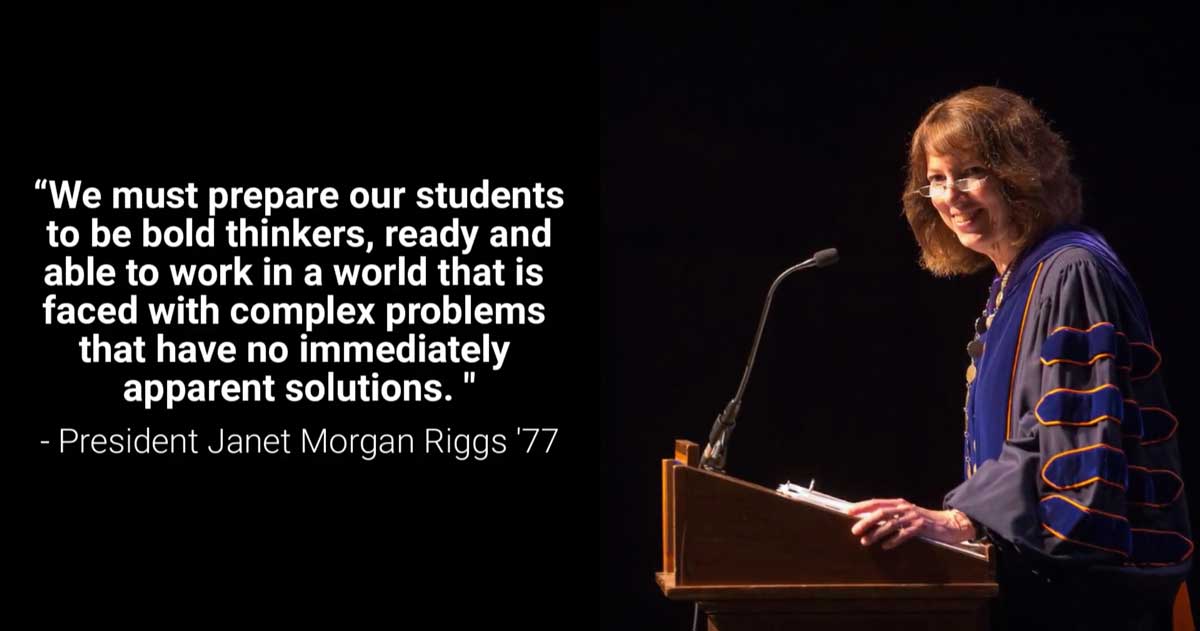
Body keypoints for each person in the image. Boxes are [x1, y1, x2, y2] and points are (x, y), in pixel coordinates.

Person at [846, 86, 1192, 630]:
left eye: (969, 172)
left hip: (1086, 598)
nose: (950, 195)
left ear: (1020, 173)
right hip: (1038, 580)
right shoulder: (1014, 284)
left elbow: (1074, 430)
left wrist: (965, 518)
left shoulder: (1072, 270)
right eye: (936, 179)